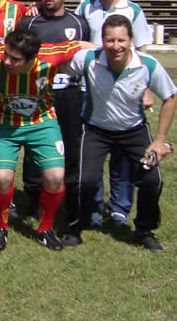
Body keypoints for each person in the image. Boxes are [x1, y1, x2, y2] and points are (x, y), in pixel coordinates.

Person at [62, 15, 176, 251]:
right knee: (85, 181)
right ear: (101, 41)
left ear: (131, 40)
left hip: (134, 131)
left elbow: (170, 97)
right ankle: (75, 226)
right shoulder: (89, 60)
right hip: (95, 130)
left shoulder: (148, 65)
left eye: (121, 40)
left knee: (152, 181)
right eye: (110, 40)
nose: (116, 46)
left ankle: (145, 230)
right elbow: (53, 61)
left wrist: (160, 140)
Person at [0, 30, 85, 251]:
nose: (6, 61)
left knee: (56, 176)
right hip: (3, 122)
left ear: (31, 57)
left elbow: (80, 45)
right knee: (1, 177)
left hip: (42, 122)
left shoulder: (50, 57)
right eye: (6, 54)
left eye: (15, 59)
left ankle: (45, 229)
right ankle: (0, 227)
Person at [76, 0, 153, 228]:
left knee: (123, 156)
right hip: (91, 88)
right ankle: (94, 210)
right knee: (93, 156)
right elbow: (75, 39)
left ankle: (120, 208)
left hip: (125, 88)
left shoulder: (132, 10)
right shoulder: (86, 8)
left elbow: (143, 51)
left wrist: (144, 90)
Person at [16, 0, 89, 221]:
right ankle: (34, 200)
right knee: (36, 145)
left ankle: (70, 199)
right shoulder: (29, 23)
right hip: (37, 93)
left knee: (69, 144)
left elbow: (84, 56)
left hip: (68, 93)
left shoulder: (78, 23)